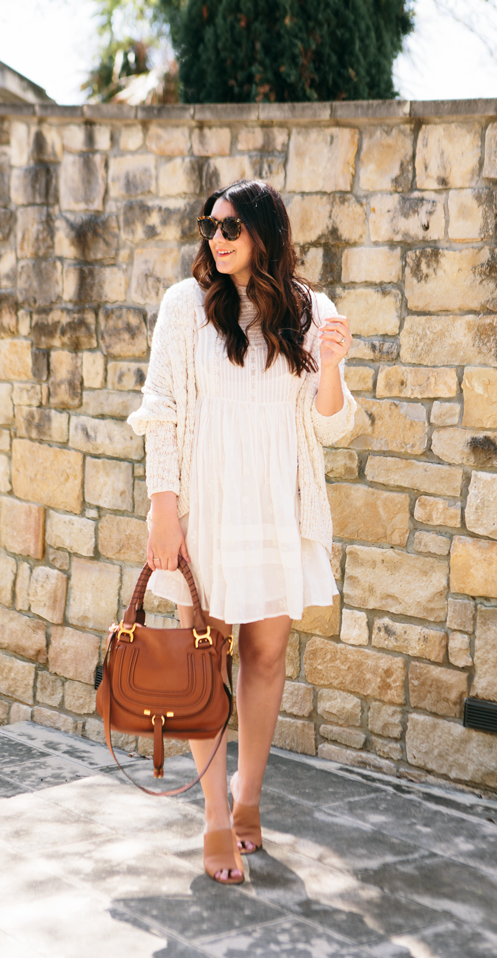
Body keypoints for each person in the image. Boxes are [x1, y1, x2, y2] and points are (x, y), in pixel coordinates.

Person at [128, 178, 356, 885]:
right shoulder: (185, 305)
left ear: (265, 233)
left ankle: (250, 796)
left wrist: (333, 367)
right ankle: (215, 816)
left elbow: (330, 426)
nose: (217, 239)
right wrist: (163, 508)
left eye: (231, 227)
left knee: (264, 656)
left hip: (277, 507)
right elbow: (161, 410)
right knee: (204, 660)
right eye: (211, 226)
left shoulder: (312, 310)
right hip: (206, 507)